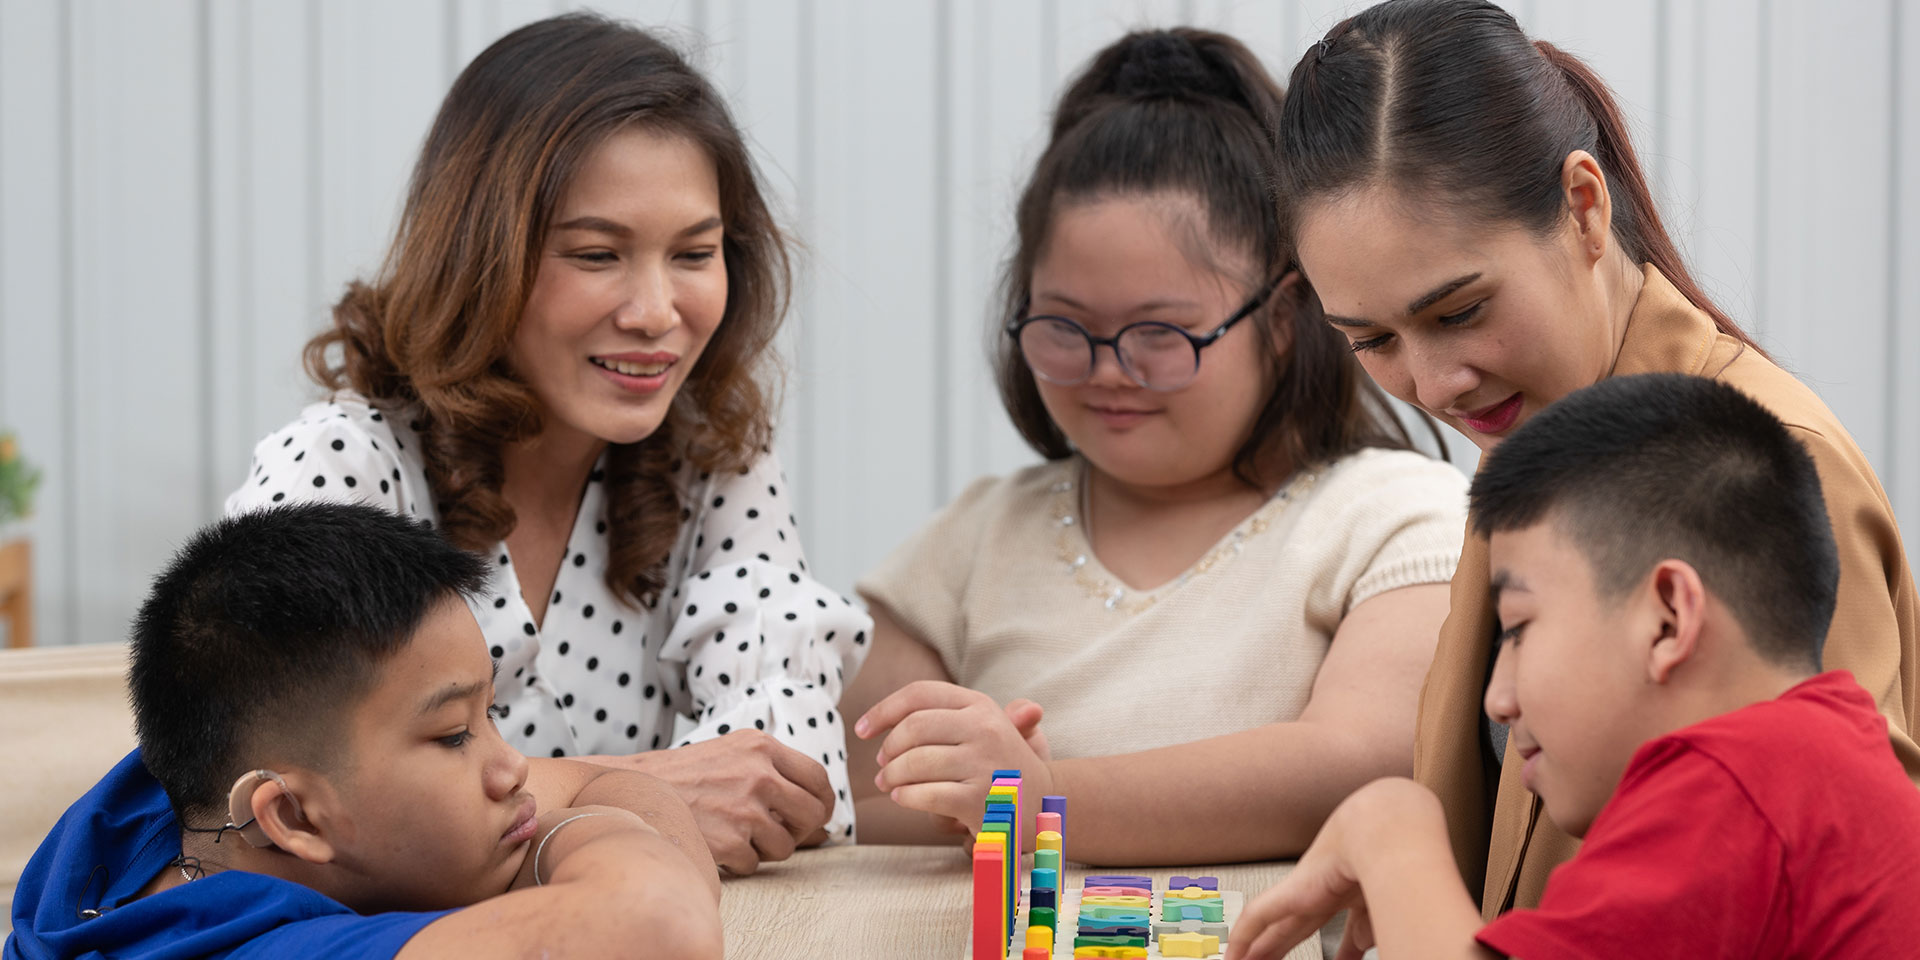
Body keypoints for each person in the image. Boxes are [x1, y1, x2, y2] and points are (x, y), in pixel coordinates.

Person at [1274, 0, 1919, 912]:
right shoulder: (1534, 430)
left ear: (1583, 206)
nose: (1435, 383)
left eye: (1460, 311)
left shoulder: (1768, 468)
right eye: (1371, 341)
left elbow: (1837, 879)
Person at [226, 14, 869, 873]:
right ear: (478, 256)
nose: (656, 313)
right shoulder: (343, 468)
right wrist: (635, 794)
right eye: (597, 255)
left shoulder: (713, 462)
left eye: (694, 254)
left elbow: (786, 770)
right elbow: (263, 809)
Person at [843, 28, 1469, 864]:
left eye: (1159, 335)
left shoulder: (1391, 518)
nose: (1108, 371)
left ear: (1285, 317)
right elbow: (850, 805)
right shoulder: (968, 547)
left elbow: (1364, 763)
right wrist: (956, 794)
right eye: (1064, 327)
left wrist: (1040, 798)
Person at [1227, 374, 1920, 960]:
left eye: (1518, 630)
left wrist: (1389, 831)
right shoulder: (1828, 754)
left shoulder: (1729, 789)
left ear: (1667, 618)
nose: (1498, 700)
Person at [4, 503, 722, 960]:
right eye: (453, 735)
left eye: (490, 714)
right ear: (292, 816)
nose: (512, 769)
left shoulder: (161, 804)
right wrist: (586, 835)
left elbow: (596, 780)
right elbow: (662, 924)